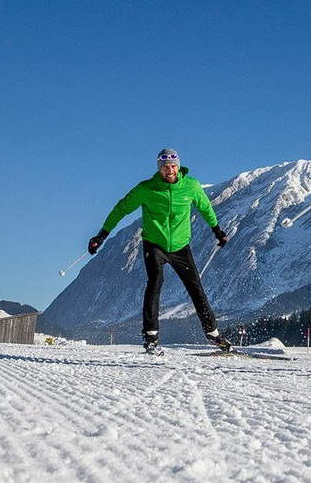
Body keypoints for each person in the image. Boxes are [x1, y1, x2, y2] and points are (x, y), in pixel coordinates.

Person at [88, 148, 233, 355]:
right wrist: (101, 235)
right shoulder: (146, 189)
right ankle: (151, 338)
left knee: (196, 288)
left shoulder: (191, 186)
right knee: (154, 285)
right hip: (154, 244)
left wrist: (217, 230)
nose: (170, 171)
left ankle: (213, 334)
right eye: (165, 167)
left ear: (178, 167)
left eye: (173, 166)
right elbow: (121, 209)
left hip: (181, 247)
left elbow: (205, 208)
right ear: (159, 168)